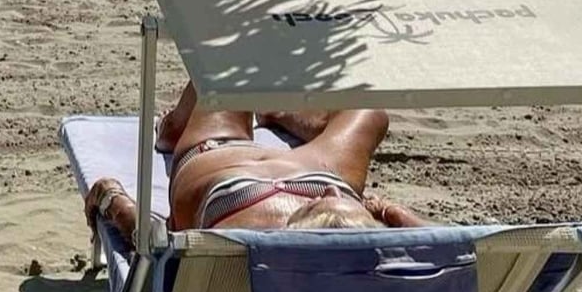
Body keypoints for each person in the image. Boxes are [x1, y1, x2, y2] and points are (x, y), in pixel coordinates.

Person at [84, 81, 426, 242]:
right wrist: (392, 214)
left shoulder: (235, 245)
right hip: (320, 172)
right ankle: (281, 115)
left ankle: (175, 127)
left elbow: (150, 240)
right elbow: (458, 249)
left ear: (293, 232)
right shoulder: (379, 261)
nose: (329, 200)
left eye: (320, 207)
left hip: (224, 162)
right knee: (369, 111)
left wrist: (111, 196)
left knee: (224, 72)